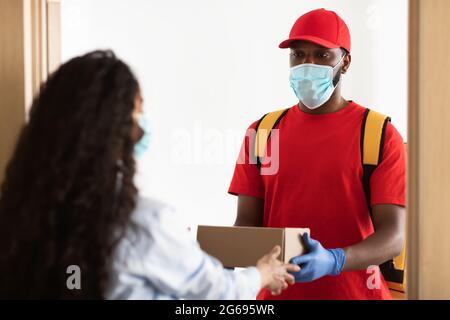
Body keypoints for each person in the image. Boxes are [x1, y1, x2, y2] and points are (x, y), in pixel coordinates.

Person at [0, 50, 299, 299]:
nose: (142, 125)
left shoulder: (21, 215)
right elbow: (215, 292)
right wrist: (262, 273)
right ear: (113, 128)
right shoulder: (144, 222)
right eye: (137, 112)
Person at [228, 8, 406, 300]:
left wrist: (335, 260)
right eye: (298, 55)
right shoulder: (261, 132)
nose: (307, 64)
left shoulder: (377, 134)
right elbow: (247, 221)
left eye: (322, 55)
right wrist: (223, 258)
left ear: (344, 62)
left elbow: (393, 238)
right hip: (276, 297)